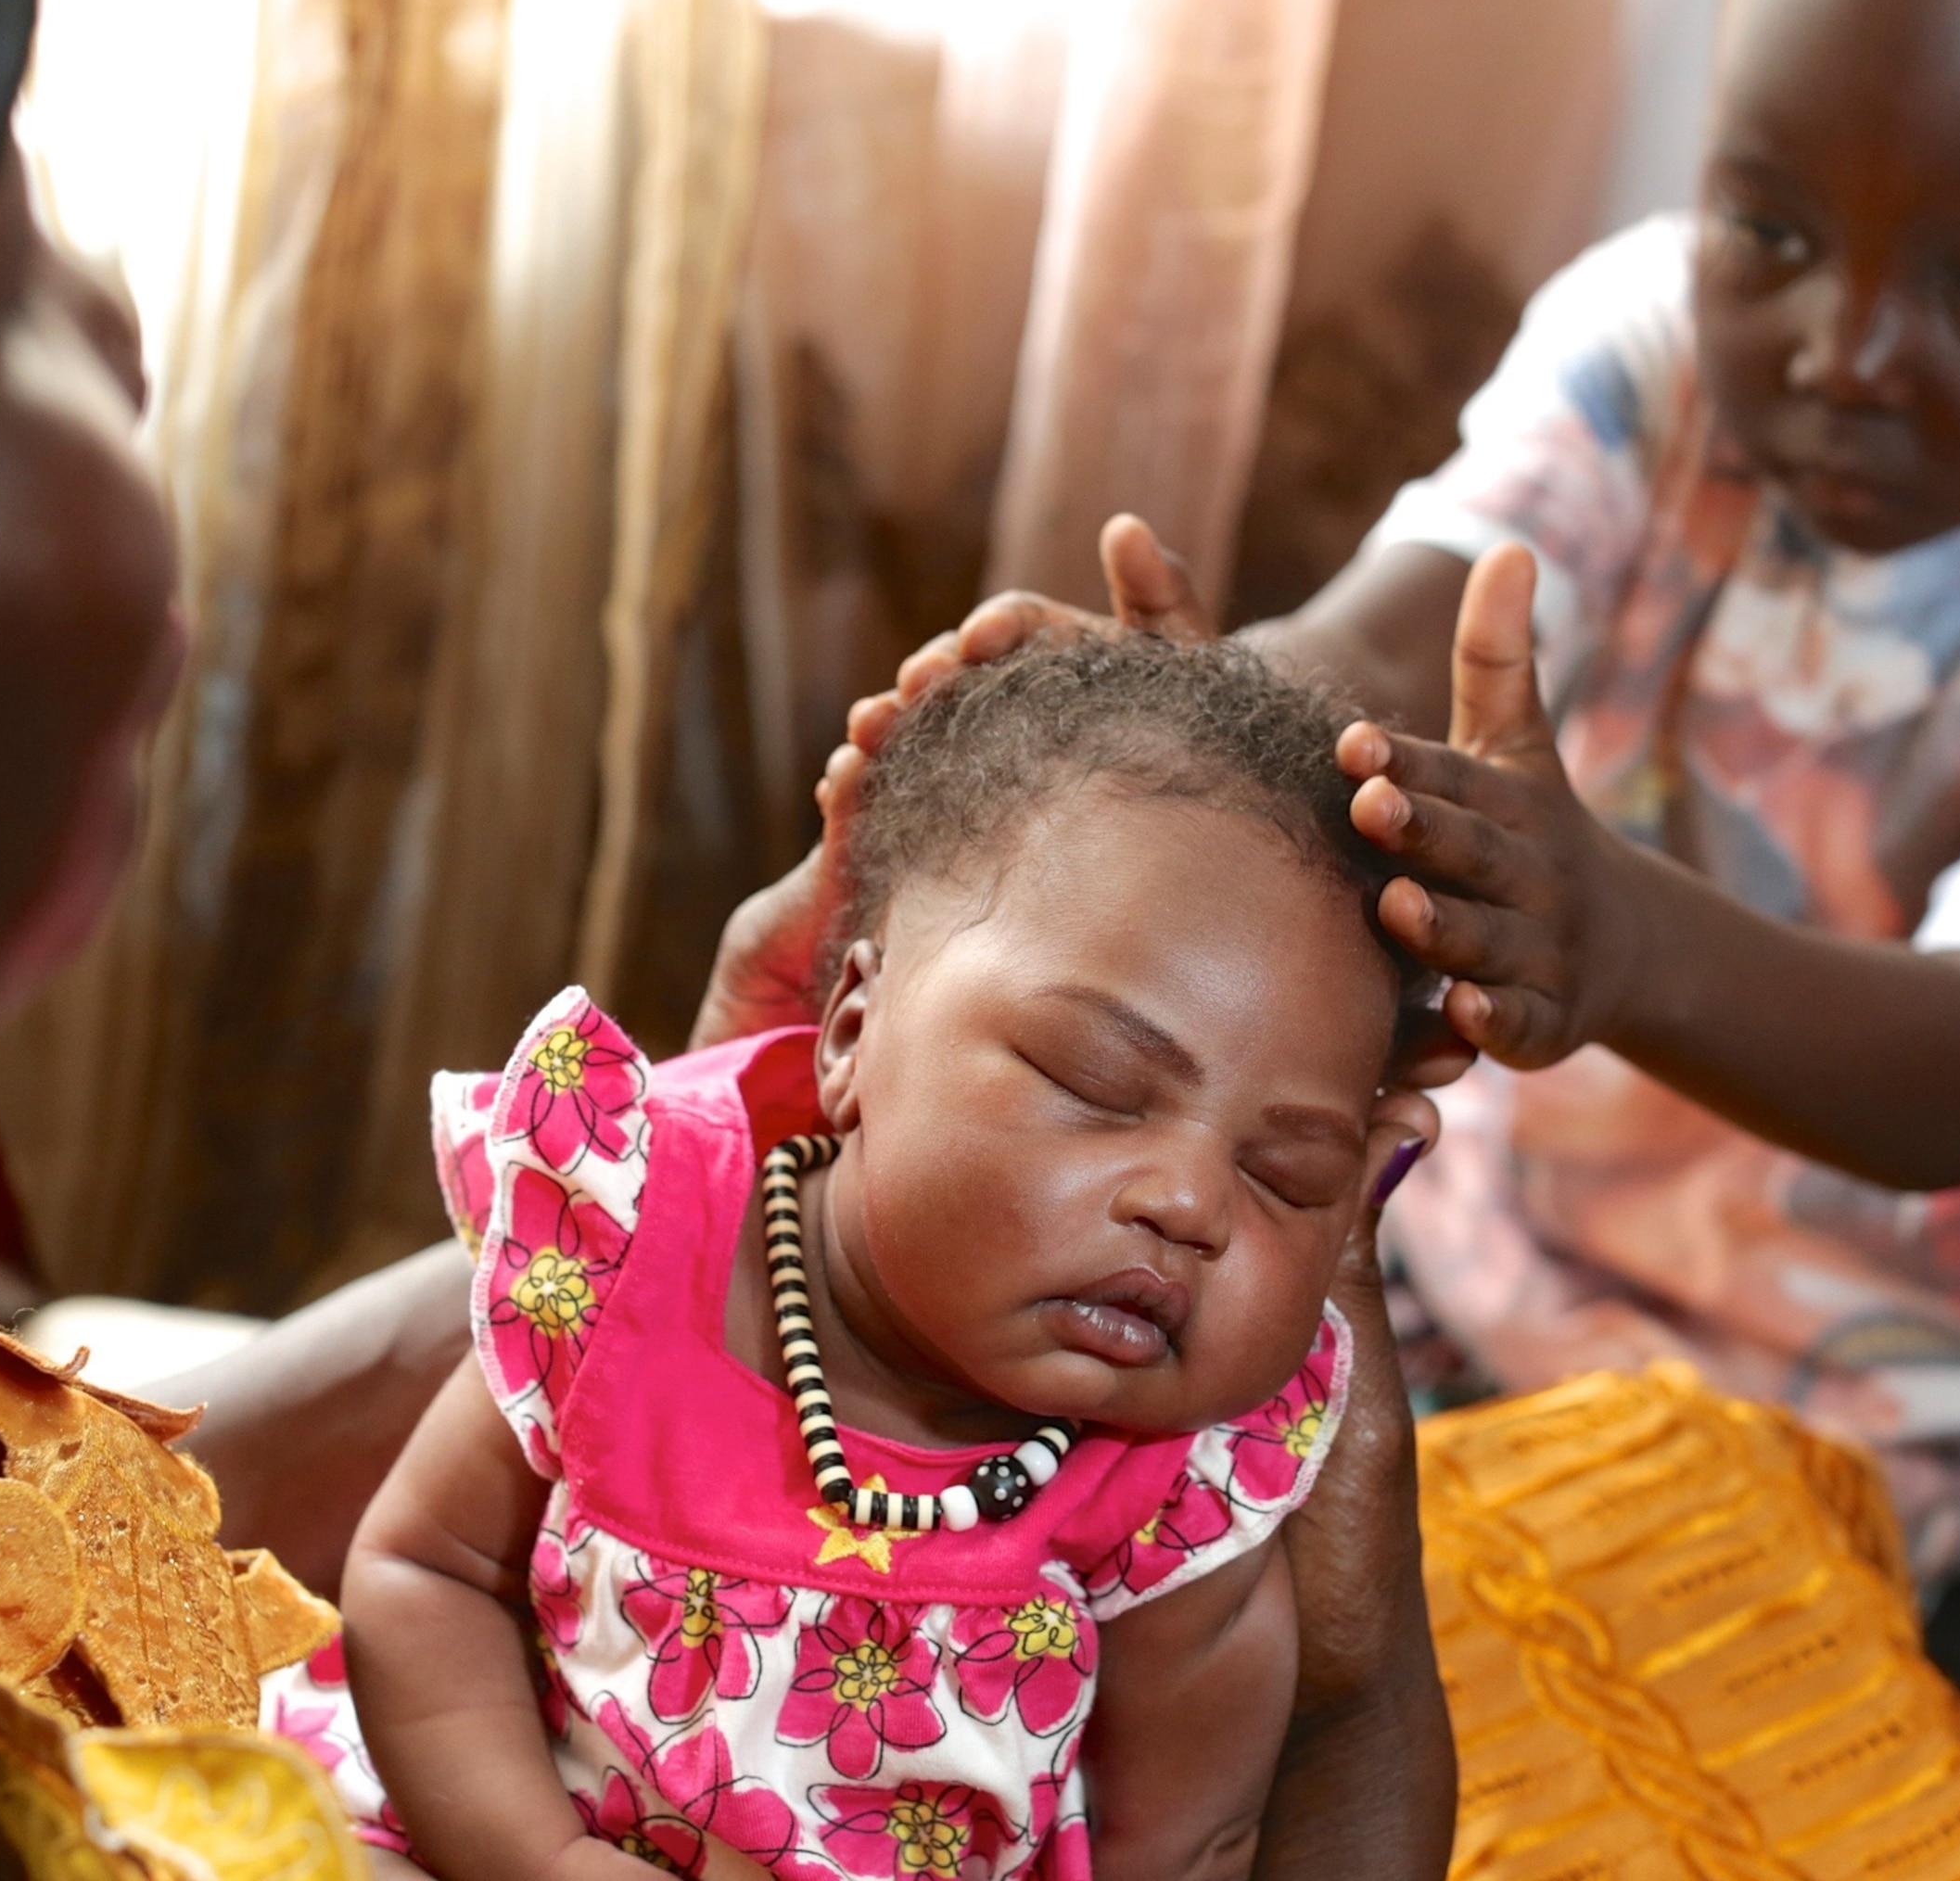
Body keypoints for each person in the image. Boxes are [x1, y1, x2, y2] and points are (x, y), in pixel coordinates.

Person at [0, 0, 1450, 1875]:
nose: (117, 324)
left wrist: (725, 1170)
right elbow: (388, 1557)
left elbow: (85, 1543)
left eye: (1291, 1159)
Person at [898, 0, 1960, 1580]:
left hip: (1837, 1392)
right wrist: (1184, 715)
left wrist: (1628, 942)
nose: (1844, 354)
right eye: (1768, 232)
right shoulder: (1650, 336)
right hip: (1457, 1234)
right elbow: (1395, 629)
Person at [264, 638, 1436, 1880]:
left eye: (1288, 1176)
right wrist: (541, 1860)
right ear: (852, 1033)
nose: (1193, 1200)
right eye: (1097, 1083)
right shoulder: (636, 1243)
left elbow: (1188, 1839)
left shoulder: (1177, 1483)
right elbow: (424, 1574)